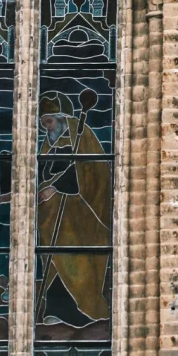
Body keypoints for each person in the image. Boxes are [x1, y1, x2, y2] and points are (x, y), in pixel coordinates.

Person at [36, 89, 112, 337]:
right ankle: (55, 309)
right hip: (51, 216)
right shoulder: (48, 146)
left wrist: (58, 188)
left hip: (80, 216)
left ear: (62, 119)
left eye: (49, 121)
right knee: (55, 261)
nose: (46, 128)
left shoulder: (82, 138)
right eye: (44, 123)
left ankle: (82, 311)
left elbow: (91, 173)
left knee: (75, 259)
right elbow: (44, 174)